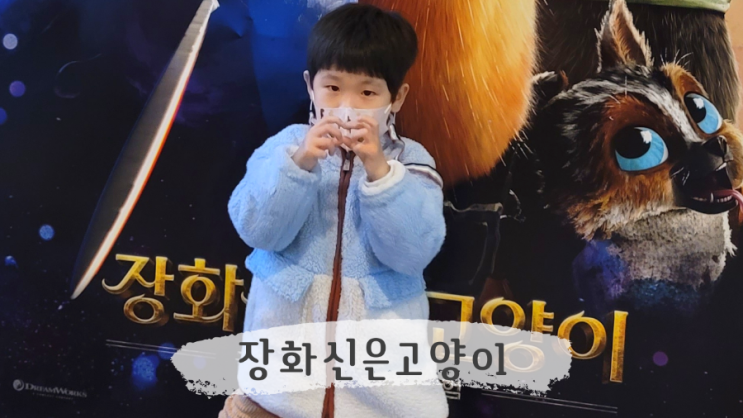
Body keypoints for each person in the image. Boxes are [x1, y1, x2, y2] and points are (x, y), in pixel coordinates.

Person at [221, 3, 449, 418]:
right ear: (310, 86)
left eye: (367, 93)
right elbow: (256, 229)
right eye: (332, 87)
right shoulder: (285, 147)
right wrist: (300, 163)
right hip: (275, 392)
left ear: (396, 98)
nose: (347, 106)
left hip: (379, 401)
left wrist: (380, 173)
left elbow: (413, 253)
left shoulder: (412, 162)